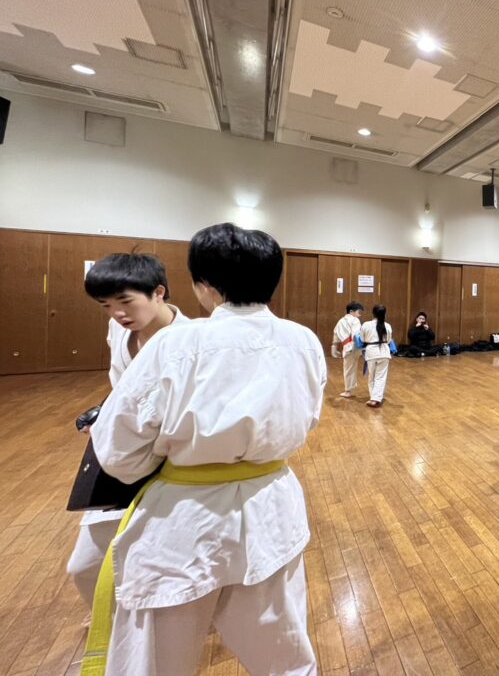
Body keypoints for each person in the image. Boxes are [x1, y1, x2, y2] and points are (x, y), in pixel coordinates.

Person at [86, 223, 326, 675]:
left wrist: (164, 456)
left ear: (205, 285)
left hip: (184, 519)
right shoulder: (302, 340)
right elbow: (308, 416)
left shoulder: (176, 344)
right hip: (273, 508)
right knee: (284, 652)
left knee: (155, 661)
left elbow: (118, 451)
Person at [67, 253, 189, 618]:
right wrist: (106, 417)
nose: (118, 313)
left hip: (172, 463)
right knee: (85, 566)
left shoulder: (190, 338)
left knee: (168, 556)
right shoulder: (119, 330)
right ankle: (113, 626)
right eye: (106, 305)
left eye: (125, 301)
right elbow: (123, 388)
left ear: (159, 292)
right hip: (121, 456)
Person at [360, 304, 393, 407]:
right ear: (384, 314)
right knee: (380, 377)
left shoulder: (366, 325)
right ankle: (376, 398)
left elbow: (362, 339)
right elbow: (389, 340)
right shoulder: (387, 326)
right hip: (384, 352)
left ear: (373, 313)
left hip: (371, 352)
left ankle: (373, 398)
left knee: (372, 376)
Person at [331, 301, 364, 397]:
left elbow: (336, 334)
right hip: (354, 346)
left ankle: (348, 390)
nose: (359, 315)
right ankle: (348, 390)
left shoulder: (340, 321)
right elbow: (356, 334)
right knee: (351, 368)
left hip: (347, 347)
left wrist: (334, 347)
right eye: (358, 312)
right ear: (351, 311)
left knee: (348, 369)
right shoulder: (355, 320)